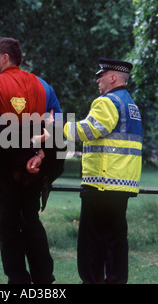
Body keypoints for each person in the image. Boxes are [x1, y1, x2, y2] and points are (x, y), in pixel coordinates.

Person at [0, 37, 62, 284]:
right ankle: (44, 277)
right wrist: (40, 154)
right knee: (32, 221)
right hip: (33, 169)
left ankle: (17, 279)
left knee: (8, 225)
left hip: (5, 172)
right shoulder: (44, 87)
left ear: (5, 58)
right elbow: (57, 128)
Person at [63, 58, 142, 284]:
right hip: (122, 182)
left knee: (91, 240)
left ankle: (92, 281)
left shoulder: (107, 102)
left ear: (113, 78)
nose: (98, 79)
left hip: (102, 182)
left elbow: (87, 130)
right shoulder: (131, 105)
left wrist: (58, 125)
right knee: (115, 238)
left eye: (102, 75)